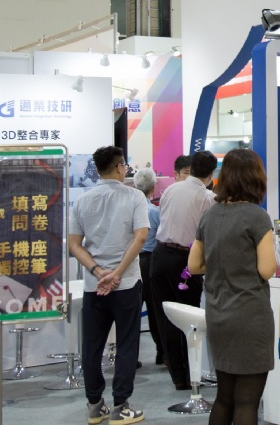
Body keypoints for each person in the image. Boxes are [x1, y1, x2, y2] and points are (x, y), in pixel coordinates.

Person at [188, 148, 276, 425]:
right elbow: (267, 269)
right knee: (247, 401)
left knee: (224, 397)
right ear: (256, 177)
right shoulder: (257, 217)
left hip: (218, 315)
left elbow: (194, 265)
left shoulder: (210, 215)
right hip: (250, 316)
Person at [68, 145, 149, 425]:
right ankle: (121, 405)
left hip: (94, 285)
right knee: (127, 343)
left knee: (92, 346)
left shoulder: (82, 201)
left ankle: (95, 405)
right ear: (119, 167)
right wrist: (117, 274)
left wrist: (97, 271)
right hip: (125, 284)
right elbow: (140, 237)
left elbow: (74, 244)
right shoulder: (135, 196)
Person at [152, 150, 216, 391]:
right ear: (211, 174)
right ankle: (192, 375)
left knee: (166, 317)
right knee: (190, 319)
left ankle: (178, 376)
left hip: (160, 256)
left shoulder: (170, 190)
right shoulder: (208, 198)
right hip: (186, 261)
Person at [132, 168, 165, 366]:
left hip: (131, 262)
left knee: (132, 312)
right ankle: (162, 352)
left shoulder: (130, 210)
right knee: (155, 310)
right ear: (153, 187)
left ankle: (130, 357)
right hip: (150, 262)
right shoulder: (155, 212)